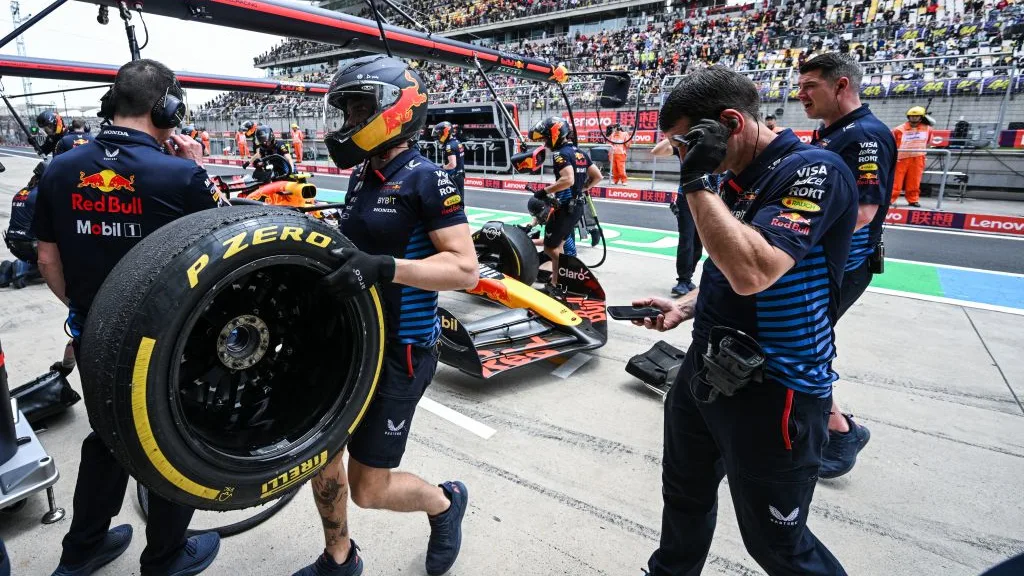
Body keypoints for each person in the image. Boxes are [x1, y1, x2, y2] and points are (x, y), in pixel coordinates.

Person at [635, 66, 857, 576]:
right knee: (683, 498)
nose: (685, 157)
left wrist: (695, 181)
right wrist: (685, 305)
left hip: (774, 387)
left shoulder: (812, 170)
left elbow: (753, 271)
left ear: (730, 123)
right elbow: (721, 264)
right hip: (704, 369)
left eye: (688, 144)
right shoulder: (734, 177)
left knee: (776, 545)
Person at [32, 58, 222, 576]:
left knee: (107, 436)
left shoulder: (60, 167)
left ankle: (81, 552)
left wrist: (89, 308)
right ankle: (164, 559)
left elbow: (46, 256)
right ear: (169, 107)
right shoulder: (182, 174)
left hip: (96, 331)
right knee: (172, 444)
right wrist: (197, 166)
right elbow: (225, 253)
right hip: (169, 343)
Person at [292, 54, 478, 576]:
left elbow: (465, 269)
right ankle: (340, 557)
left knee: (369, 489)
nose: (349, 123)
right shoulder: (366, 176)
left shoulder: (427, 179)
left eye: (358, 110)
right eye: (346, 111)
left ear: (394, 110)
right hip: (350, 343)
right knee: (320, 456)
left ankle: (445, 503)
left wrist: (386, 268)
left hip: (404, 350)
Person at [799, 52, 897, 478]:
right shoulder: (829, 133)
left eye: (810, 86)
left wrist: (787, 244)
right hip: (817, 262)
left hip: (841, 265)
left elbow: (863, 212)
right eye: (799, 86)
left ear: (841, 85)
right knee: (795, 342)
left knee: (805, 343)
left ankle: (840, 430)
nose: (800, 94)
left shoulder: (865, 136)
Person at [528, 116, 602, 295]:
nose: (545, 143)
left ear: (555, 134)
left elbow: (567, 179)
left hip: (566, 208)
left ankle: (567, 279)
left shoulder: (560, 154)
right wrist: (583, 189)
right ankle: (556, 282)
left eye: (546, 138)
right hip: (577, 207)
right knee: (558, 246)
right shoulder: (579, 152)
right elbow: (598, 176)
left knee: (551, 248)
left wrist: (544, 192)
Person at [652, 137, 706, 297]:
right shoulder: (685, 146)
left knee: (699, 242)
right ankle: (683, 280)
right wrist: (673, 135)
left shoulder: (716, 146)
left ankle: (688, 277)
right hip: (686, 198)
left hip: (710, 199)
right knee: (686, 239)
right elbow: (656, 151)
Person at [1, 160, 47, 289]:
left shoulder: (21, 192)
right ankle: (24, 267)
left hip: (12, 243)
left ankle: (9, 269)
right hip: (30, 245)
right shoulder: (42, 194)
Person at [891, 105, 932, 207]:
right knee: (896, 180)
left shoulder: (927, 129)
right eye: (912, 116)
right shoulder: (899, 129)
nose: (914, 118)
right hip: (901, 158)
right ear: (908, 117)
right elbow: (892, 142)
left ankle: (913, 199)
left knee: (915, 180)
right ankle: (890, 198)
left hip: (918, 158)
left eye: (917, 116)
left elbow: (928, 143)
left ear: (921, 117)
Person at [431, 121, 465, 197]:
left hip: (454, 176)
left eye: (439, 134)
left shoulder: (449, 146)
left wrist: (441, 167)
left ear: (446, 133)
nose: (439, 137)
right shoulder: (457, 142)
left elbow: (452, 165)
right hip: (460, 174)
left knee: (452, 198)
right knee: (460, 198)